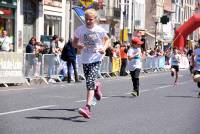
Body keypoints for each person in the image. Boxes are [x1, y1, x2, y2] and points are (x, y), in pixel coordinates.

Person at [72, 8, 110, 119]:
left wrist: (103, 47)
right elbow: (74, 42)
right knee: (90, 82)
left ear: (95, 19)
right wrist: (77, 45)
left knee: (89, 82)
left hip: (96, 58)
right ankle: (97, 86)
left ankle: (87, 108)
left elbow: (107, 40)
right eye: (86, 19)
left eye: (91, 19)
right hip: (85, 58)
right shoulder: (80, 30)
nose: (88, 21)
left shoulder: (99, 30)